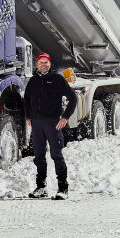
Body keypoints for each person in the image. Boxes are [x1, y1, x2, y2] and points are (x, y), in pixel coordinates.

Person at [24, 52, 77, 200]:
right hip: (37, 124)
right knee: (39, 156)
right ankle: (41, 188)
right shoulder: (33, 81)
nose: (43, 64)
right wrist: (28, 116)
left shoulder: (57, 79)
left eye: (46, 62)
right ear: (36, 64)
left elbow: (72, 98)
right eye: (41, 62)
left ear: (50, 64)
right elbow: (27, 99)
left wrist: (65, 117)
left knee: (56, 155)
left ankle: (63, 188)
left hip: (53, 123)